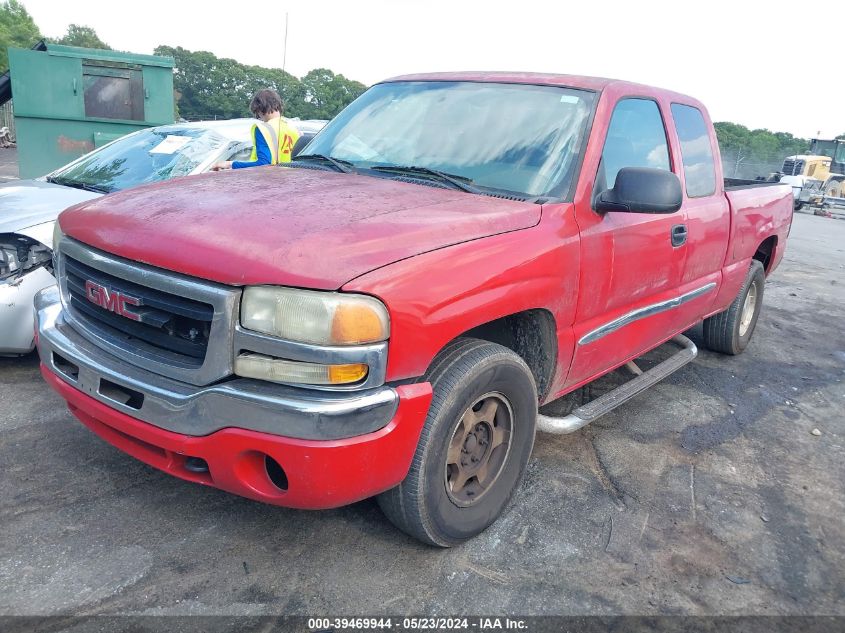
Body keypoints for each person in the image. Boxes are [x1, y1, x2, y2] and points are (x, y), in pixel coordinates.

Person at [212, 89, 300, 170]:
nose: (259, 118)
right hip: (290, 180)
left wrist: (230, 164)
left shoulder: (264, 129)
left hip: (270, 180)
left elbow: (263, 164)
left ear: (259, 109)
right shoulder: (294, 128)